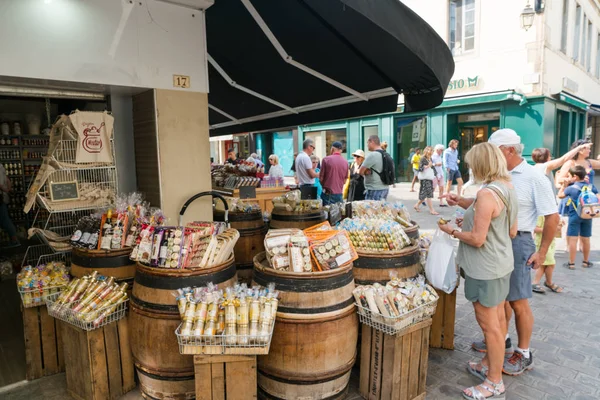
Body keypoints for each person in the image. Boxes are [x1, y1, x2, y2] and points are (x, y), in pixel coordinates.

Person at [464, 129, 558, 377]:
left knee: (518, 301)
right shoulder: (499, 175)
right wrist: (462, 204)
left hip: (519, 243)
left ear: (509, 150)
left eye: (496, 151)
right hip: (499, 243)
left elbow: (552, 216)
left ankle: (524, 353)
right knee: (500, 300)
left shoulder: (534, 176)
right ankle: (501, 342)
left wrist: (542, 251)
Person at [439, 143, 518, 400]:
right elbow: (511, 230)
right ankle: (488, 364)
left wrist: (452, 230)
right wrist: (469, 211)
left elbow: (477, 239)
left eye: (472, 163)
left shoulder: (487, 194)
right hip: (501, 264)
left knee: (490, 326)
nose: (469, 167)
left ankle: (494, 382)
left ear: (482, 164)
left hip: (485, 268)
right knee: (497, 321)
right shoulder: (506, 187)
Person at [528, 144, 590, 293]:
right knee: (547, 254)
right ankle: (537, 282)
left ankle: (548, 282)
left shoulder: (532, 169)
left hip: (544, 211)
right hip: (544, 213)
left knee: (550, 256)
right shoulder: (543, 167)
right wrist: (578, 148)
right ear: (547, 158)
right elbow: (563, 159)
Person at [558, 165, 598, 269]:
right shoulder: (591, 187)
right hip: (587, 215)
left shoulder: (571, 188)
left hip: (574, 215)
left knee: (573, 239)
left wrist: (564, 185)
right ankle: (585, 261)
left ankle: (571, 263)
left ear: (575, 176)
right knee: (586, 239)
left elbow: (560, 195)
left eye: (570, 175)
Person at [359, 135, 390, 200]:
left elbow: (360, 171)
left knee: (371, 209)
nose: (367, 145)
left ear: (372, 142)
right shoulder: (386, 154)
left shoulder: (372, 155)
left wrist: (366, 171)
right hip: (385, 188)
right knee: (381, 209)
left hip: (374, 189)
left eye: (367, 143)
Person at [413, 146, 439, 215]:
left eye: (432, 151)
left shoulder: (430, 159)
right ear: (426, 151)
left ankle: (416, 205)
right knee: (429, 194)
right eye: (430, 150)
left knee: (425, 194)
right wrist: (427, 166)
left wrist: (436, 175)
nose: (431, 152)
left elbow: (432, 167)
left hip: (429, 178)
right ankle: (432, 210)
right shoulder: (423, 159)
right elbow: (420, 169)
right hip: (425, 179)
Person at [0, 163, 19, 247]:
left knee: (5, 220)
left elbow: (0, 184)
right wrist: (9, 189)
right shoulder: (2, 167)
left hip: (0, 198)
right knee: (4, 219)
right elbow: (8, 180)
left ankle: (14, 240)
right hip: (2, 197)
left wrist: (7, 190)